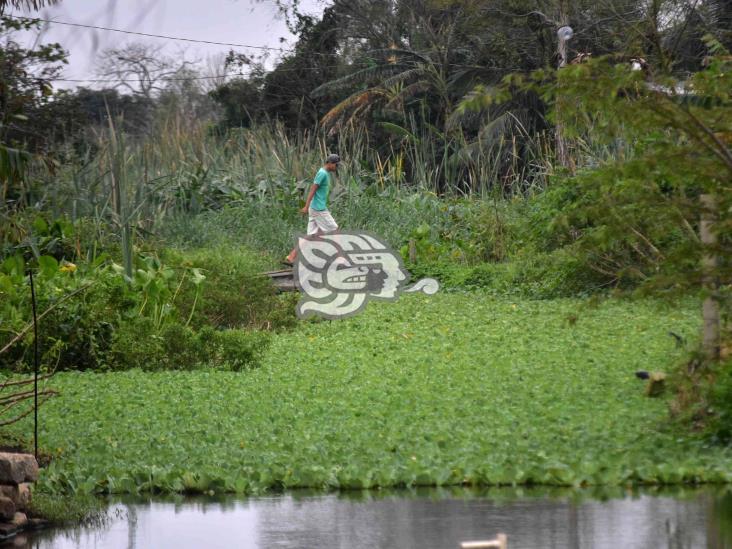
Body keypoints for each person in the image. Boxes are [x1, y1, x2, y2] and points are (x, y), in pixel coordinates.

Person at [284, 154, 340, 265]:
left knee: (311, 235)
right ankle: (340, 258)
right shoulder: (322, 174)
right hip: (319, 209)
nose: (337, 167)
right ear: (330, 163)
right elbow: (312, 190)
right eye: (336, 165)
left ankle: (291, 256)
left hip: (316, 208)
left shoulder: (324, 173)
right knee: (335, 229)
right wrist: (306, 206)